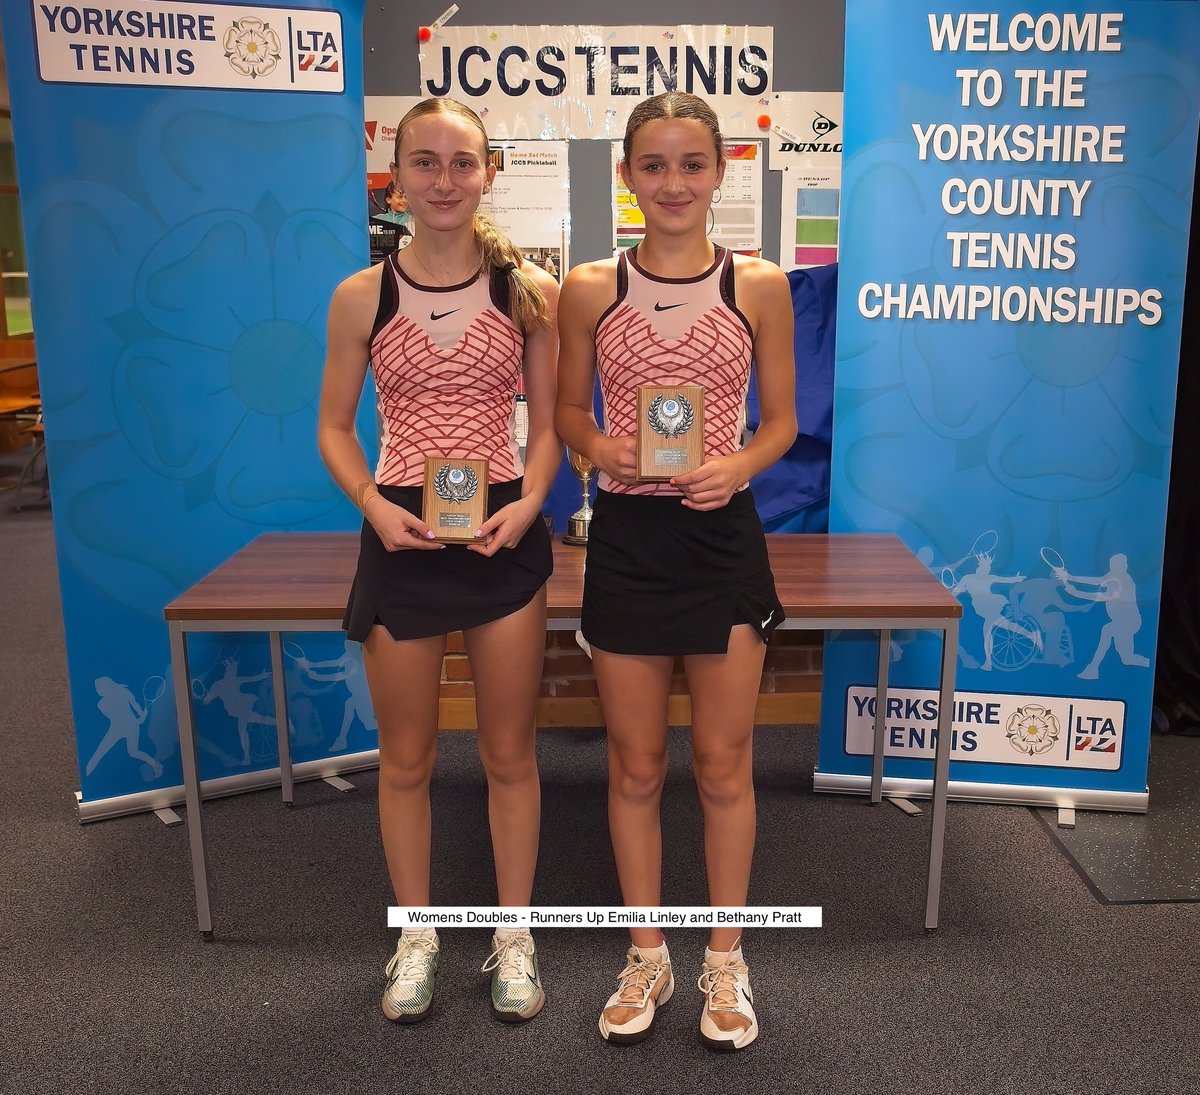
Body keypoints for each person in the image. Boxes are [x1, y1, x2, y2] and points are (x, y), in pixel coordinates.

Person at [555, 91, 798, 1051]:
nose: (672, 183)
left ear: (720, 172)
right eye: (652, 165)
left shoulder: (760, 283)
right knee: (638, 763)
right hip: (627, 544)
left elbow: (778, 419)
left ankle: (727, 955)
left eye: (691, 164)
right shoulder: (588, 286)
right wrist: (599, 450)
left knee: (725, 762)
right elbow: (568, 414)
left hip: (720, 542)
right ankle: (647, 949)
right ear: (627, 176)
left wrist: (737, 463)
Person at [318, 97, 560, 1025]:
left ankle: (512, 934)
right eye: (425, 163)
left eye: (462, 163)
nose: (444, 180)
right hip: (400, 533)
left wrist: (531, 502)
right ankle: (416, 933)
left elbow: (545, 429)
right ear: (396, 176)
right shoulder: (361, 296)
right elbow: (335, 430)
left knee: (507, 752)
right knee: (408, 757)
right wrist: (374, 503)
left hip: (502, 530)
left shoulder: (525, 291)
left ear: (490, 171)